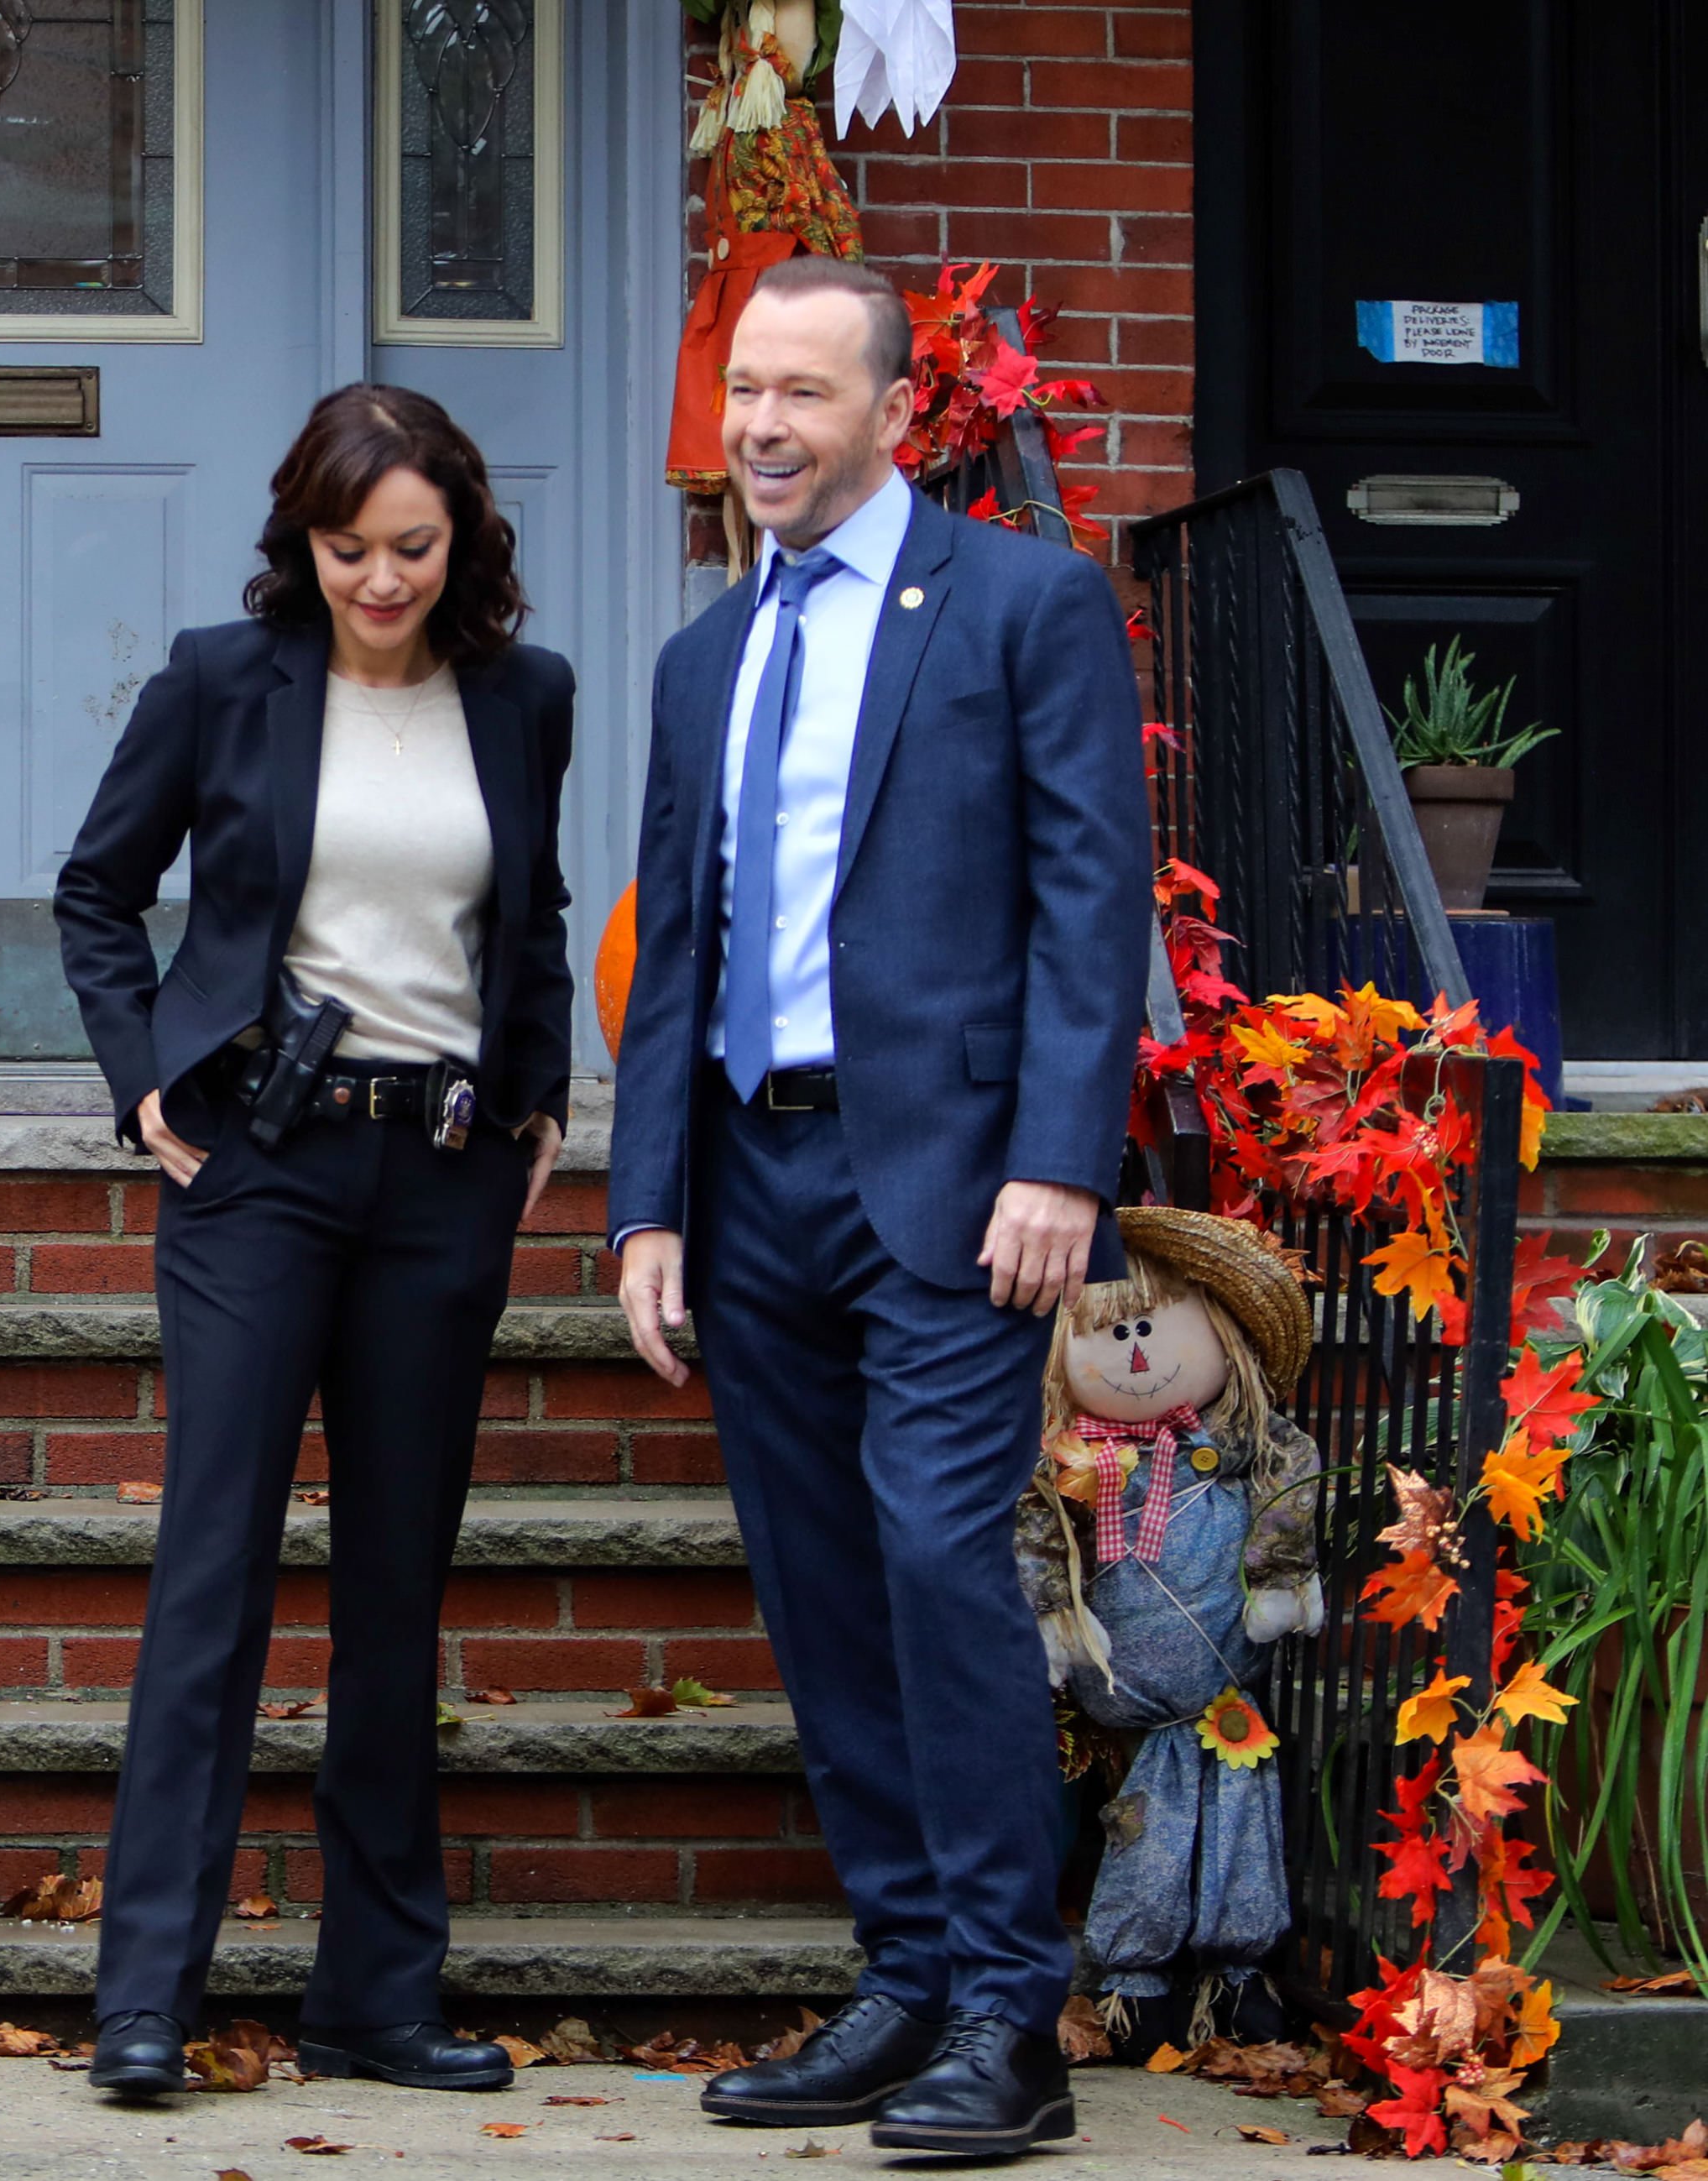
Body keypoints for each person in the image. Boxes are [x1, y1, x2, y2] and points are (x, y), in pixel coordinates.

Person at [607, 255, 1150, 2158]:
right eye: (743, 389)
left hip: (949, 1180)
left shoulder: (1019, 603)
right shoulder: (704, 655)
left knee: (933, 1559)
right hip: (748, 1179)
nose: (758, 426)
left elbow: (1092, 901)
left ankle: (1011, 2012)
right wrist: (644, 1206)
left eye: (801, 394)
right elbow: (678, 942)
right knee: (820, 1586)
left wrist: (1060, 1158)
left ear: (891, 412)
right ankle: (904, 1979)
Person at [55, 384, 576, 2102]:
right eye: (346, 548)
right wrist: (142, 1085)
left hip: (437, 1177)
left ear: (461, 540)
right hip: (256, 1166)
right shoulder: (219, 678)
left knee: (393, 1594)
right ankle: (147, 1998)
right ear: (304, 539)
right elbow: (96, 891)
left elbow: (534, 912)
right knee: (212, 1571)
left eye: (410, 548)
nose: (378, 580)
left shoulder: (522, 697)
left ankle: (374, 1996)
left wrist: (537, 1091)